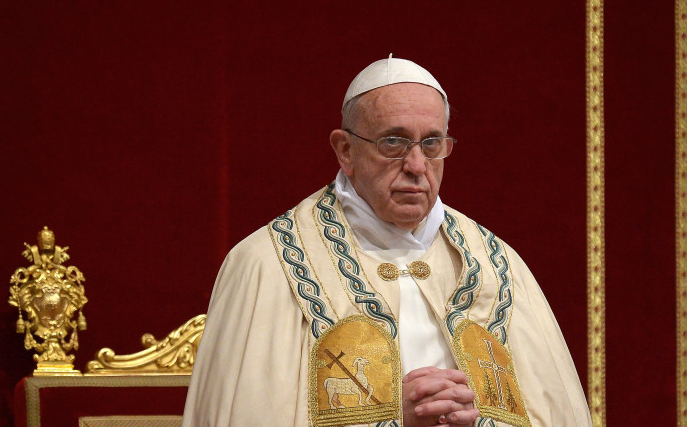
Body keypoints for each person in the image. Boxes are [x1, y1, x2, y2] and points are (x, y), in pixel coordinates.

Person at [182, 56, 592, 427]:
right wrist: (394, 420)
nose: (416, 166)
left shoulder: (497, 266)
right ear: (345, 150)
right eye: (393, 142)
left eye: (432, 143)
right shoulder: (267, 264)